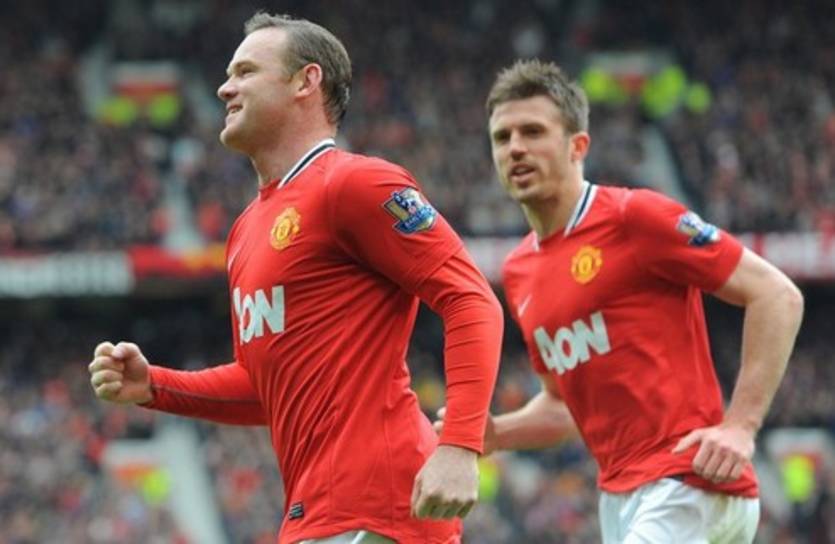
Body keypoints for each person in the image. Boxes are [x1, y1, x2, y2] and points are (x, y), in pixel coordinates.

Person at [87, 12, 503, 544]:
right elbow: (264, 387)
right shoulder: (245, 231)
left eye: (245, 72)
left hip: (379, 504)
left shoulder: (356, 183)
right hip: (321, 513)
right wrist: (155, 387)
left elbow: (471, 298)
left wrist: (460, 446)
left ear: (306, 81)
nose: (224, 88)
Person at [437, 59, 804, 543]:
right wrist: (498, 434)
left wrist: (741, 426)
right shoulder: (519, 271)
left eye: (533, 131)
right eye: (502, 137)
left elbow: (776, 294)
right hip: (620, 497)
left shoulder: (635, 217)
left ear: (578, 146)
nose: (516, 148)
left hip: (690, 480)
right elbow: (563, 407)